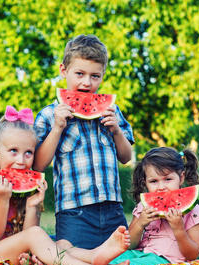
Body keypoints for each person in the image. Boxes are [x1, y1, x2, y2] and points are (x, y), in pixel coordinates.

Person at [0, 105, 130, 265]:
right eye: (13, 151)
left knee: (63, 243)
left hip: (14, 253)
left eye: (28, 153)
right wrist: (2, 201)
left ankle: (93, 255)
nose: (21, 161)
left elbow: (28, 232)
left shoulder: (30, 185)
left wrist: (31, 205)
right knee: (37, 236)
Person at [33, 34, 135, 249]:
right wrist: (57, 128)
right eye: (79, 73)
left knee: (122, 256)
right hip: (74, 212)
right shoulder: (49, 115)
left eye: (95, 76)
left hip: (113, 210)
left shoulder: (112, 111)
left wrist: (116, 130)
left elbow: (126, 158)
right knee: (71, 257)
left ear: (103, 75)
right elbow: (38, 166)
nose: (87, 82)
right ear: (63, 70)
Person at [96, 147, 199, 265]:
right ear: (145, 182)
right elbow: (130, 245)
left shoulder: (195, 212)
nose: (161, 187)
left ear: (181, 177)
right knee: (113, 256)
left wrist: (179, 229)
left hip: (164, 260)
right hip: (139, 253)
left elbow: (192, 255)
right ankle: (86, 262)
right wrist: (140, 224)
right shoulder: (143, 207)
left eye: (168, 179)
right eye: (154, 181)